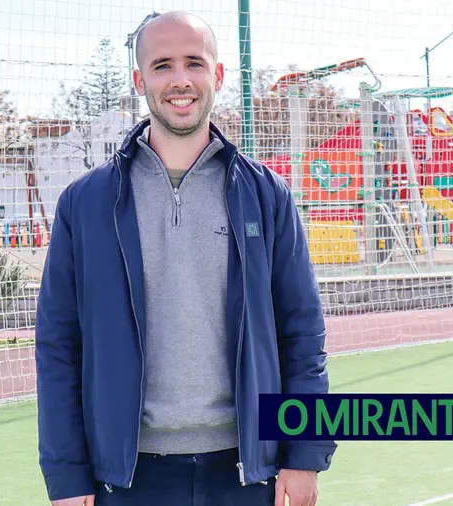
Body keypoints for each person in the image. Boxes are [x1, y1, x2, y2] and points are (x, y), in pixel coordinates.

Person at [34, 10, 337, 506]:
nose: (180, 80)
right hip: (127, 478)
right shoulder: (84, 204)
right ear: (139, 80)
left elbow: (302, 333)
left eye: (194, 63)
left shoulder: (267, 196)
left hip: (246, 471)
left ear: (217, 75)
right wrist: (68, 477)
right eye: (162, 65)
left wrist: (304, 455)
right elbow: (58, 348)